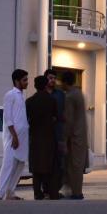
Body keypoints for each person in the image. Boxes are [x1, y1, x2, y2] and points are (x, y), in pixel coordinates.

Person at [0, 69, 29, 200]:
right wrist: (14, 136)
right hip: (13, 137)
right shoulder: (10, 95)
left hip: (23, 137)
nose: (27, 82)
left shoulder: (21, 95)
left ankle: (11, 191)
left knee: (20, 164)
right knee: (8, 164)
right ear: (17, 81)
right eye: (24, 80)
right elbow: (8, 117)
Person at [26, 75, 58, 200]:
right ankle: (49, 191)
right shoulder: (51, 100)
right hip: (49, 136)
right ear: (46, 85)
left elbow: (26, 119)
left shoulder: (29, 101)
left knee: (36, 166)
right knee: (49, 165)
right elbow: (55, 117)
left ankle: (37, 192)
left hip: (34, 137)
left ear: (35, 86)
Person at [61, 70, 88, 200]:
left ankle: (76, 192)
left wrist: (64, 139)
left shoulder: (70, 96)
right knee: (77, 164)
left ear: (65, 82)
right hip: (81, 135)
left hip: (74, 137)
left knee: (74, 165)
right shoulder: (79, 93)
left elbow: (69, 120)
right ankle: (75, 191)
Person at [45, 68, 66, 197]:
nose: (52, 80)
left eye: (54, 78)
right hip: (45, 135)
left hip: (59, 133)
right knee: (46, 162)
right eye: (50, 78)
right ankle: (46, 190)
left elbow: (64, 112)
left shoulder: (60, 94)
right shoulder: (41, 93)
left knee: (59, 163)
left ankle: (55, 190)